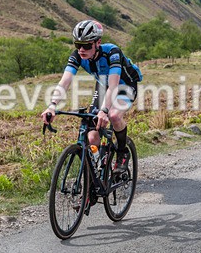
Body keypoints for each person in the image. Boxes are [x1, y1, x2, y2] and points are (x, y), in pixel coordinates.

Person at [40, 20, 142, 171]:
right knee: (92, 135)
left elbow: (113, 86)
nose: (81, 49)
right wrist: (52, 105)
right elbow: (65, 81)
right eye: (77, 45)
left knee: (114, 116)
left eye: (87, 45)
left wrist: (105, 111)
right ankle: (98, 170)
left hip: (124, 85)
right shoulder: (78, 55)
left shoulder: (112, 52)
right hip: (103, 85)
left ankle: (122, 153)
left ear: (98, 42)